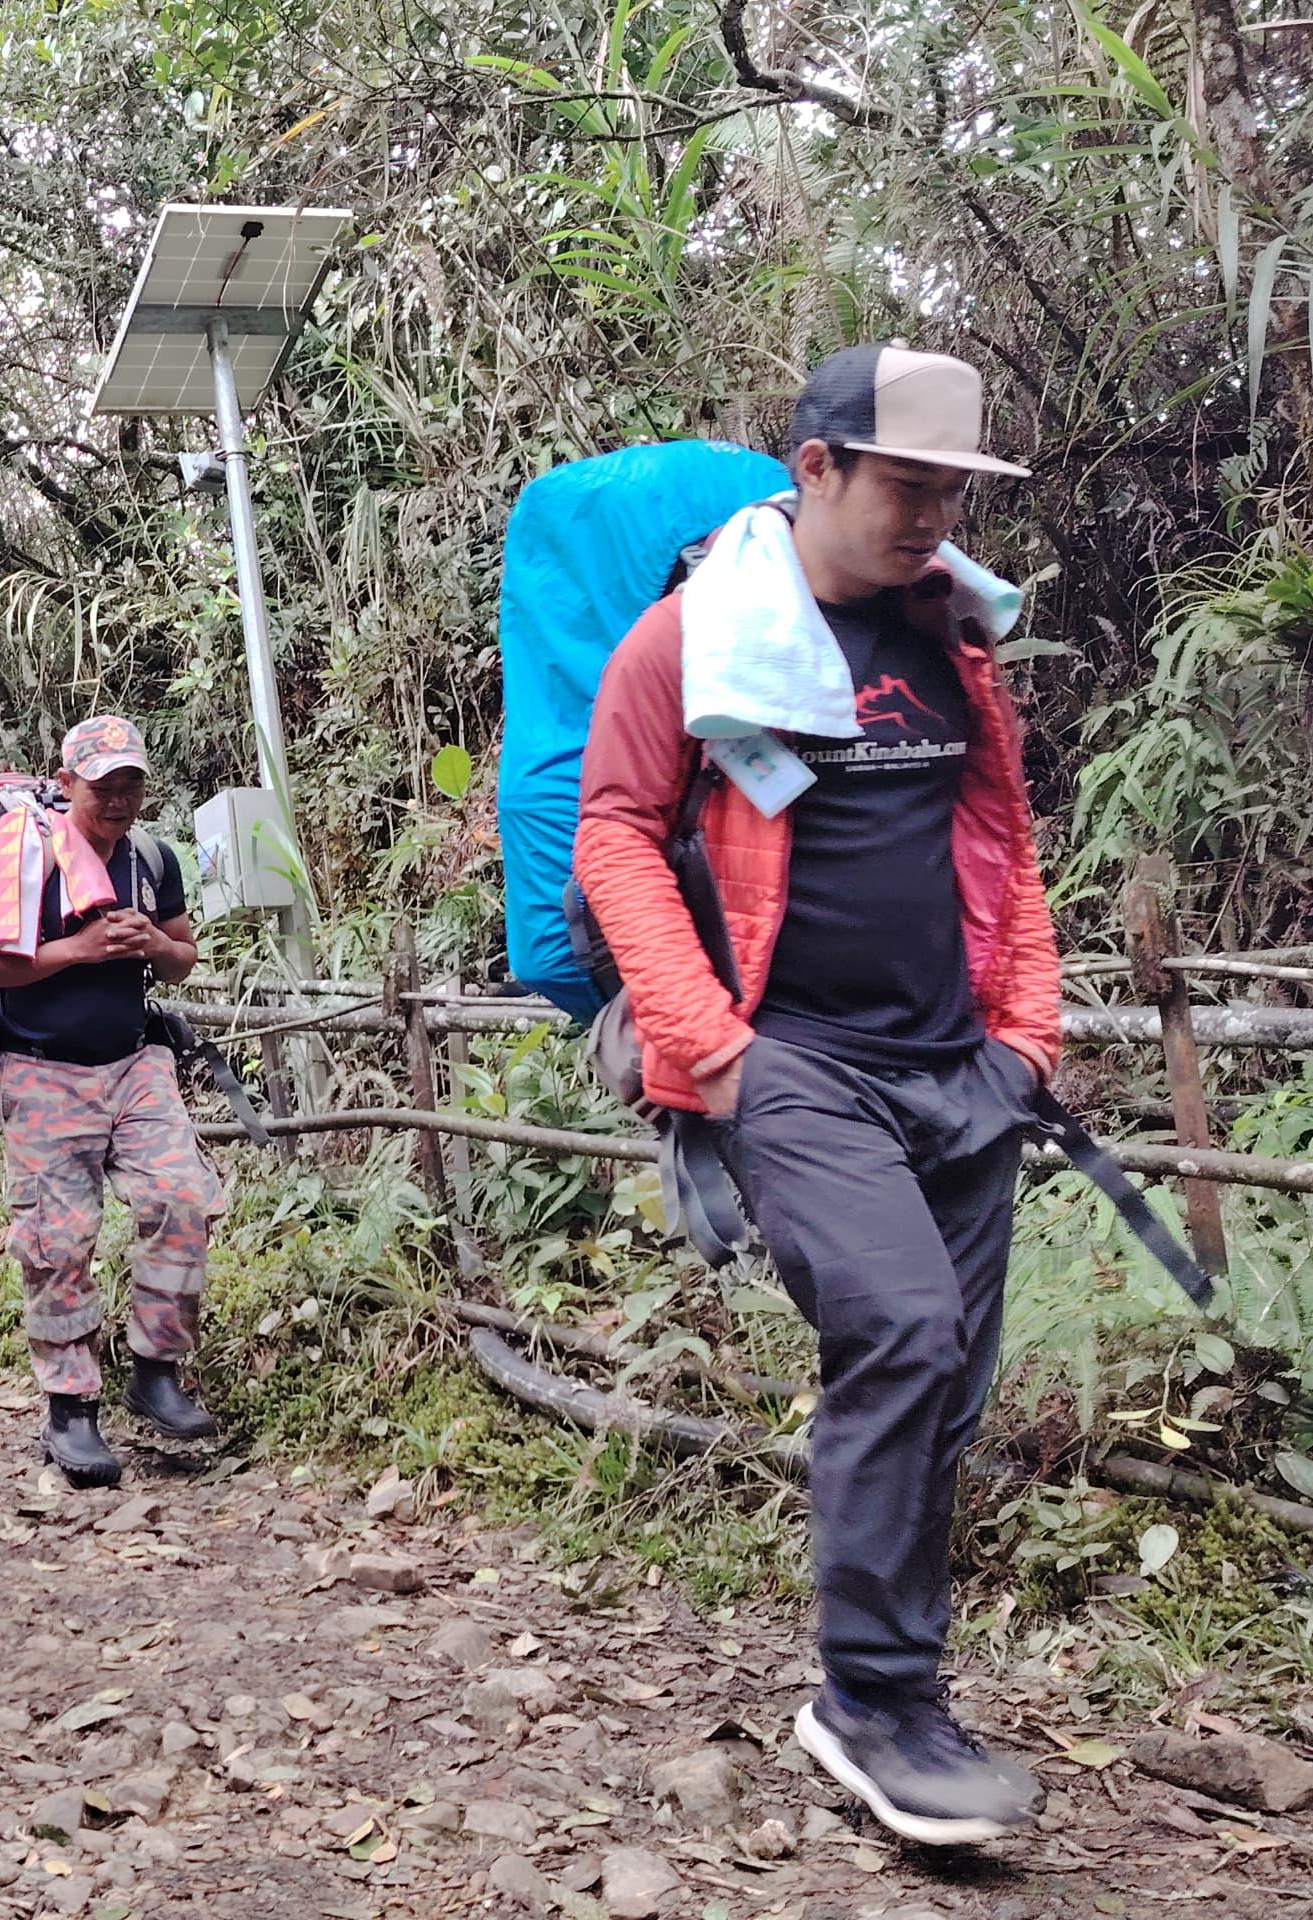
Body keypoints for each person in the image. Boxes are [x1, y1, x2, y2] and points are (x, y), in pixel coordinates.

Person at [574, 343, 1062, 1845]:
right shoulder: (693, 642)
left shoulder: (950, 641)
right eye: (903, 484)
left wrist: (1030, 1039)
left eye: (950, 491)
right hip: (797, 1065)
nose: (929, 516)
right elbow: (611, 833)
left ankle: (900, 1695)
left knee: (950, 1383)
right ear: (817, 467)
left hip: (959, 1069)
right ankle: (867, 1698)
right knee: (901, 1328)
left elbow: (1006, 851)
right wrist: (712, 1050)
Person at [0, 717, 222, 1488]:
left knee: (179, 1196)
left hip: (136, 1060)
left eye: (131, 784)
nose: (119, 800)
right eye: (103, 786)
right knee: (58, 1239)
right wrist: (78, 950)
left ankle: (156, 1370)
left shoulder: (150, 858)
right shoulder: (26, 859)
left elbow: (181, 957)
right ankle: (70, 1410)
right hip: (41, 1070)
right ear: (67, 782)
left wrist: (153, 948)